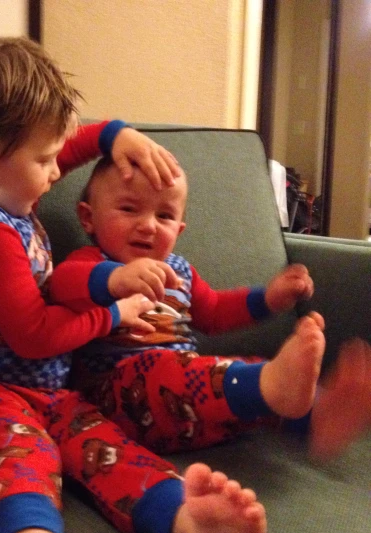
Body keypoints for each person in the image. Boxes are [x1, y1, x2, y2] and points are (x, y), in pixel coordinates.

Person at [0, 36, 266, 533]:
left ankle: (186, 526)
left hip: (52, 395)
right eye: (47, 161)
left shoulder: (3, 192)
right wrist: (113, 313)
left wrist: (112, 135)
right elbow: (35, 336)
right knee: (25, 462)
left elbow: (59, 148)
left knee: (112, 452)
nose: (59, 171)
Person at [49, 156, 371, 465]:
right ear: (88, 217)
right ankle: (279, 393)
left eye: (164, 216)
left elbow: (215, 311)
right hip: (117, 405)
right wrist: (116, 279)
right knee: (166, 368)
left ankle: (318, 415)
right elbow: (62, 285)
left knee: (248, 373)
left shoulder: (180, 271)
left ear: (179, 229)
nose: (148, 226)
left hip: (192, 408)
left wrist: (268, 299)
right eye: (129, 209)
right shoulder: (91, 265)